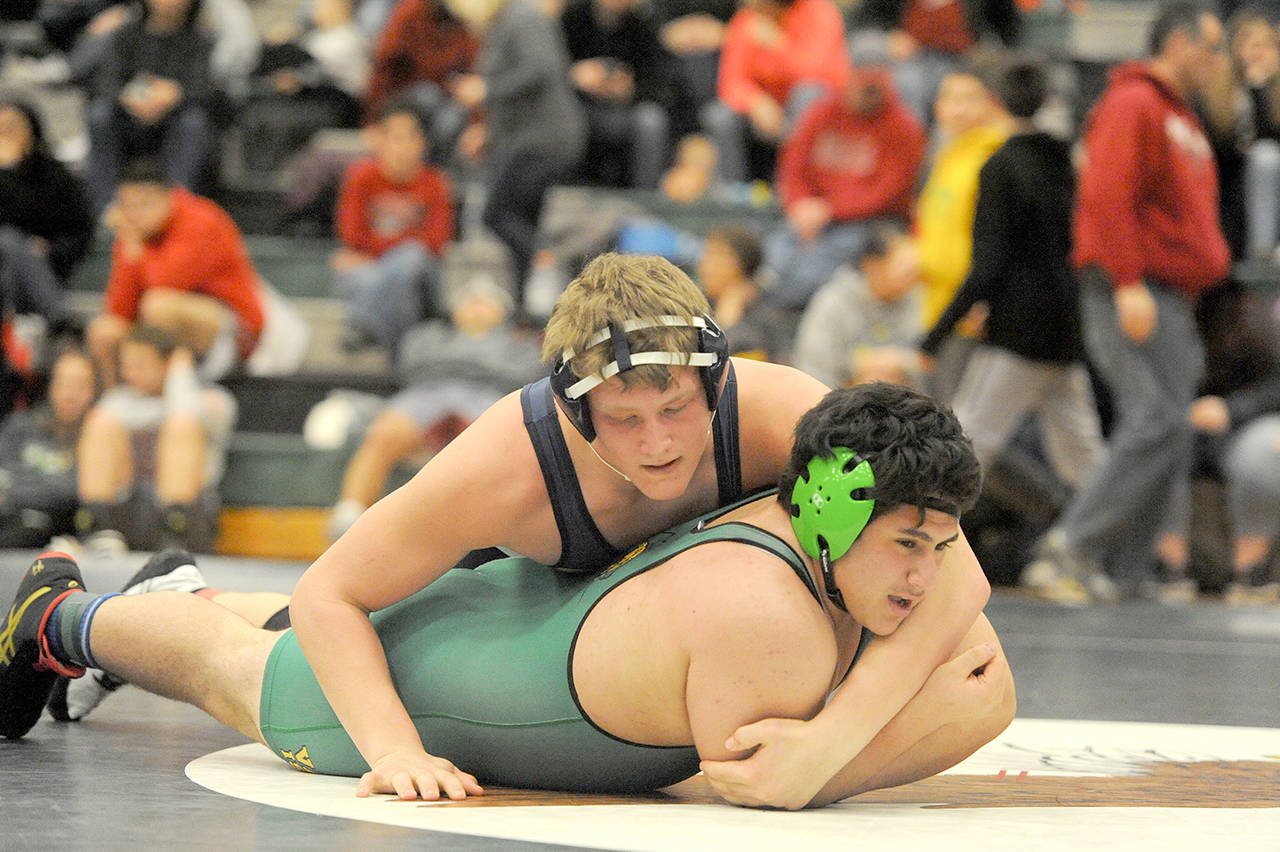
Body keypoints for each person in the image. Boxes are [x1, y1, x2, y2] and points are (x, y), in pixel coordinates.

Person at [1, 382, 1014, 811]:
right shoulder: (770, 619)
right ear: (833, 513)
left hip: (528, 607)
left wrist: (838, 737)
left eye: (937, 547)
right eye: (908, 547)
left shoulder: (813, 455)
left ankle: (179, 591)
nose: (927, 582)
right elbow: (754, 786)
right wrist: (917, 720)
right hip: (457, 673)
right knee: (255, 673)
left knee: (277, 635)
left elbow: (960, 622)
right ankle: (63, 619)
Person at [229, 252, 986, 808]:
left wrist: (831, 742)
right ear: (577, 411)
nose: (659, 443)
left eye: (678, 409)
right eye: (624, 420)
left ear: (716, 380)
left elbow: (958, 565)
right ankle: (149, 611)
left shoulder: (775, 412)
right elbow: (329, 591)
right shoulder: (508, 464)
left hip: (649, 616)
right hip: (522, 607)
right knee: (272, 639)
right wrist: (395, 749)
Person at [1027, 2, 1231, 602]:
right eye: (1211, 47)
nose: (1217, 61)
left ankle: (1125, 570)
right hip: (1134, 287)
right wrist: (1126, 281)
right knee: (1155, 420)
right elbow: (1107, 195)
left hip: (1172, 295)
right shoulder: (1133, 102)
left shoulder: (1180, 116)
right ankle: (1071, 549)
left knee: (1171, 431)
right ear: (1177, 43)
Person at [919, 55, 1104, 604]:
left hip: (1019, 334)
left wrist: (936, 334)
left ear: (997, 104)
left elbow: (989, 264)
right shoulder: (1065, 161)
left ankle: (921, 556)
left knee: (966, 445)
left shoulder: (999, 167)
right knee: (1086, 460)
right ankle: (1106, 555)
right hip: (1066, 331)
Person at [329, 272, 543, 539]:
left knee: (492, 448)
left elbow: (524, 376)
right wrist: (476, 363)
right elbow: (410, 365)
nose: (476, 306)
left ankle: (481, 533)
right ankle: (348, 516)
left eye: (486, 302)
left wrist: (459, 363)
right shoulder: (427, 334)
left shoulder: (521, 344)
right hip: (427, 392)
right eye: (470, 301)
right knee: (384, 434)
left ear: (503, 312)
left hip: (488, 397)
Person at [762, 33, 924, 311]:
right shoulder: (822, 111)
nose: (868, 94)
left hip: (872, 222)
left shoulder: (904, 126)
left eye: (875, 87)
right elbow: (793, 166)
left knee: (829, 257)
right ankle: (770, 296)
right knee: (777, 248)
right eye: (863, 85)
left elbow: (887, 194)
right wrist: (800, 205)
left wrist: (828, 210)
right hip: (813, 215)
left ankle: (778, 304)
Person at [448, 0, 587, 323]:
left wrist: (487, 90)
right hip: (523, 139)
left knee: (496, 215)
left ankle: (548, 262)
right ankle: (528, 311)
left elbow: (541, 68)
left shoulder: (522, 16)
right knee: (522, 222)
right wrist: (490, 133)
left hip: (542, 140)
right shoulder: (503, 23)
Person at [86, 157, 267, 385]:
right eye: (126, 205)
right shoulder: (133, 234)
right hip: (163, 317)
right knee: (104, 331)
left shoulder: (201, 219)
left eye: (144, 204)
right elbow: (119, 310)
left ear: (168, 198)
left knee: (159, 306)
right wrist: (130, 246)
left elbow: (167, 283)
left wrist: (132, 242)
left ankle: (173, 394)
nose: (134, 214)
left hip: (234, 330)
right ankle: (115, 403)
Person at [73, 324, 237, 553]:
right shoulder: (118, 402)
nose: (129, 374)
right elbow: (105, 420)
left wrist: (179, 374)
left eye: (140, 365)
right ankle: (94, 529)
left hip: (188, 517)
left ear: (169, 364)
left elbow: (185, 412)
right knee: (100, 423)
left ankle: (173, 537)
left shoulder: (212, 401)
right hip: (129, 509)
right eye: (126, 365)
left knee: (181, 425)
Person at [913, 54, 1009, 402]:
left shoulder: (994, 158)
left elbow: (1000, 238)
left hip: (969, 311)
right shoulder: (947, 157)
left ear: (992, 102)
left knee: (965, 422)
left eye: (968, 98)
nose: (957, 108)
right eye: (949, 98)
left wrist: (984, 299)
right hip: (937, 305)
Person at [331, 99, 455, 354]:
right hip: (378, 275)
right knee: (371, 280)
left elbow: (434, 243)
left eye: (410, 138)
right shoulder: (360, 177)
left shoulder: (436, 184)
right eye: (395, 138)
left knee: (409, 260)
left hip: (421, 274)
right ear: (380, 141)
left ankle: (364, 326)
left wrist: (381, 255)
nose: (402, 147)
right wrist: (401, 247)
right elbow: (351, 235)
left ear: (422, 144)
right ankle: (402, 358)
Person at [83, 0, 220, 214]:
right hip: (128, 117)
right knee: (99, 115)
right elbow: (106, 82)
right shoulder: (125, 35)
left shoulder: (200, 41)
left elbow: (207, 90)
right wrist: (129, 97)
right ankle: (106, 207)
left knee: (194, 122)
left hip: (174, 120)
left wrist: (175, 94)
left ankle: (177, 205)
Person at [703, 0, 851, 184]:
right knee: (721, 115)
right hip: (766, 110)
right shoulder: (748, 19)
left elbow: (820, 72)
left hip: (811, 108)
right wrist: (756, 102)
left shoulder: (819, 11)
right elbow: (730, 81)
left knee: (807, 94)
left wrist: (779, 44)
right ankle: (732, 197)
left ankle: (795, 189)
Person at [0, 97, 93, 337]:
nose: (5, 135)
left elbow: (79, 232)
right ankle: (59, 317)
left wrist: (50, 249)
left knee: (11, 244)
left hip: (45, 270)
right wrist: (6, 175)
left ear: (32, 130)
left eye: (11, 127)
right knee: (7, 241)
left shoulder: (54, 176)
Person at [791, 223, 925, 390]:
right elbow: (814, 366)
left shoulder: (919, 298)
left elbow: (930, 361)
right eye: (906, 271)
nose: (914, 278)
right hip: (840, 400)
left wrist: (899, 361)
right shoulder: (834, 302)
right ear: (873, 266)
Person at [559, 0, 674, 189]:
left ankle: (646, 198)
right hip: (576, 107)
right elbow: (546, 76)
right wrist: (574, 76)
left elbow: (663, 85)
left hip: (625, 111)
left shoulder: (643, 25)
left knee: (651, 118)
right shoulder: (570, 20)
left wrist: (630, 90)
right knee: (559, 117)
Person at [848, 0, 1020, 126]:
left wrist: (985, 54)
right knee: (908, 85)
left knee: (958, 97)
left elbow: (1009, 28)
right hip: (910, 56)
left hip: (963, 60)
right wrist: (890, 36)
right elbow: (864, 18)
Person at [0, 346, 97, 548]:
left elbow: (72, 492)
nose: (70, 394)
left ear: (95, 390)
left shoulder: (97, 438)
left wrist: (14, 492)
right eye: (64, 384)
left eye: (80, 386)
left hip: (53, 531)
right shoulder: (21, 426)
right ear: (51, 386)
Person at [362, 0, 478, 163]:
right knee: (428, 94)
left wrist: (478, 124)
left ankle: (434, 176)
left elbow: (474, 77)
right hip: (401, 98)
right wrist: (373, 120)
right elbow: (383, 67)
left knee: (452, 118)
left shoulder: (464, 21)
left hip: (443, 102)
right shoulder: (410, 13)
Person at [697, 224, 793, 363]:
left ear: (742, 265)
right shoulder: (696, 306)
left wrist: (728, 318)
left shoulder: (764, 314)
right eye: (706, 254)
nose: (705, 263)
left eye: (718, 255)